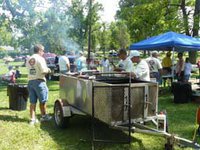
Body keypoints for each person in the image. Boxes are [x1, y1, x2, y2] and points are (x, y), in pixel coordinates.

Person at [26, 44, 52, 125]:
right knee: (43, 101)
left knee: (32, 102)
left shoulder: (29, 58)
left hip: (30, 82)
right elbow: (43, 71)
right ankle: (44, 116)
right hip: (39, 82)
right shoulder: (40, 58)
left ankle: (32, 119)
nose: (43, 52)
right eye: (43, 50)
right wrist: (49, 70)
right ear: (40, 50)